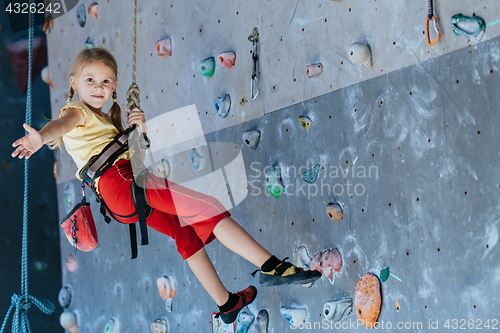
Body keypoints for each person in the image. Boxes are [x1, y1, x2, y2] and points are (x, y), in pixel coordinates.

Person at [11, 47, 321, 323]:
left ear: (114, 87)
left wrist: (139, 131)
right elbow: (60, 125)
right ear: (74, 82)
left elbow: (136, 158)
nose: (98, 87)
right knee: (207, 208)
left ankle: (226, 305)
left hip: (120, 198)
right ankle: (272, 267)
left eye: (105, 81)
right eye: (89, 80)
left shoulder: (105, 121)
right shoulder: (76, 113)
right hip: (122, 185)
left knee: (183, 231)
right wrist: (42, 136)